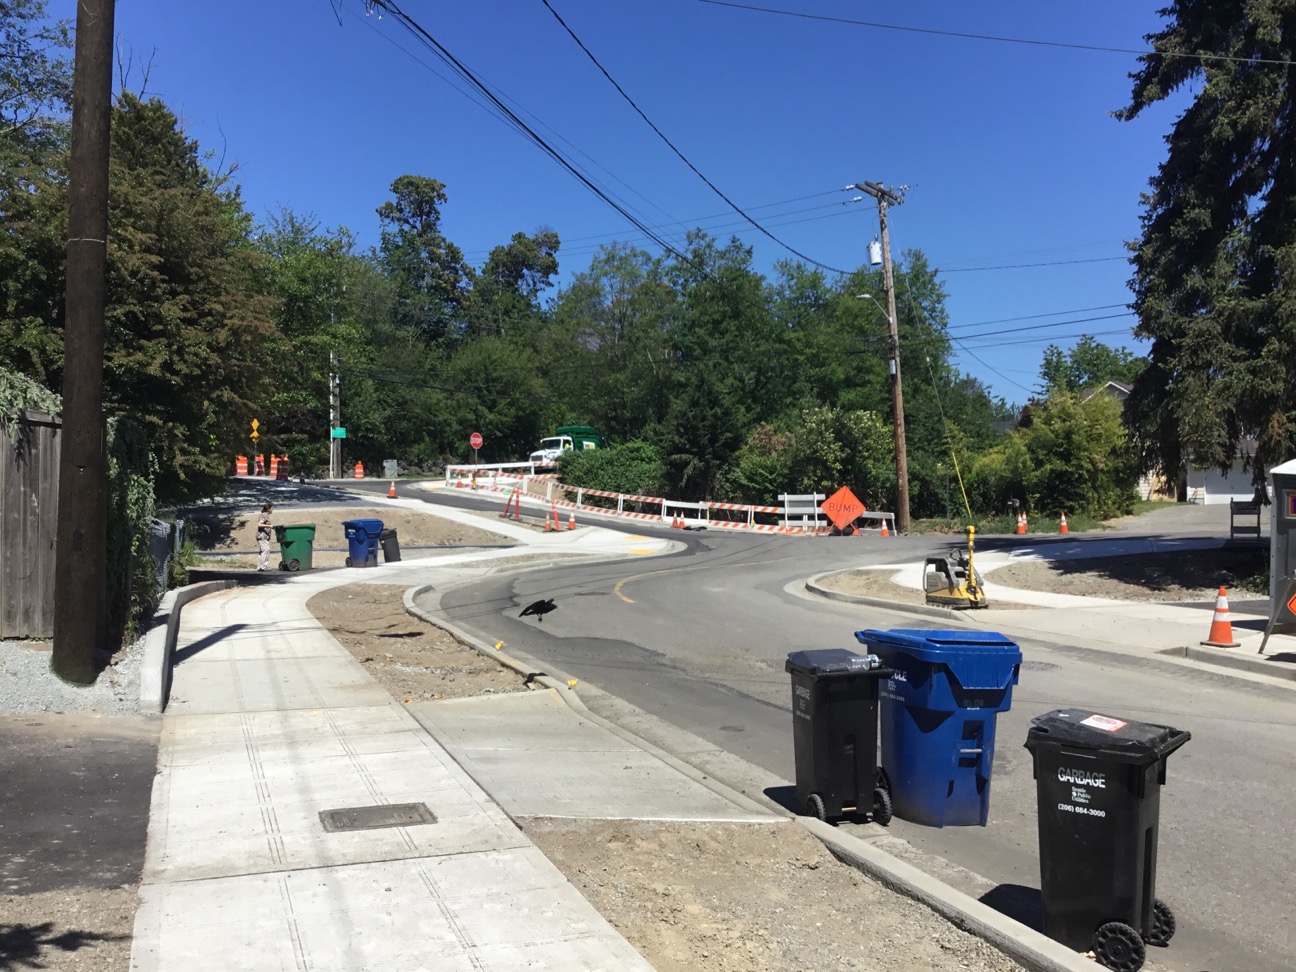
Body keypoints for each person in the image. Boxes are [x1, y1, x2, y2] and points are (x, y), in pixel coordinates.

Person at [257, 503, 273, 571]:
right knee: (266, 549)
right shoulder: (264, 515)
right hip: (262, 536)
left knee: (263, 551)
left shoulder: (266, 516)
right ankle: (263, 566)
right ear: (268, 509)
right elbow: (259, 524)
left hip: (264, 537)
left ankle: (260, 566)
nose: (272, 510)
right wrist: (269, 526)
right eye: (271, 508)